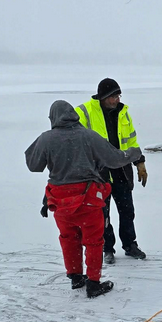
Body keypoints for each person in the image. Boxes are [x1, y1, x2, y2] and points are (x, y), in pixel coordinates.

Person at [25, 100, 141, 298]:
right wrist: (134, 153)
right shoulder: (88, 136)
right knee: (94, 241)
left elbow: (33, 165)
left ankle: (76, 277)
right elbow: (114, 159)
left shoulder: (46, 139)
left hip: (60, 200)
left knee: (68, 239)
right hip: (88, 198)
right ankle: (93, 283)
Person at [75, 78, 147, 265]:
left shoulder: (123, 113)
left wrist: (139, 162)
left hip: (121, 171)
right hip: (99, 174)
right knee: (102, 214)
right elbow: (76, 141)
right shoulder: (84, 112)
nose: (116, 100)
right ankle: (108, 248)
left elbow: (131, 140)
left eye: (118, 96)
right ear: (103, 97)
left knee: (127, 211)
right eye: (113, 96)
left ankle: (130, 245)